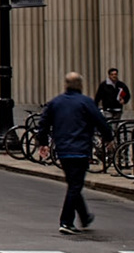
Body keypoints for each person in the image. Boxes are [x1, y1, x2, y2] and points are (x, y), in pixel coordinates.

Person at [36, 72, 113, 235]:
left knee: (73, 184)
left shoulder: (55, 102)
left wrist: (42, 143)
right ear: (81, 85)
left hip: (63, 149)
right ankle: (66, 221)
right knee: (75, 185)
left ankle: (84, 217)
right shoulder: (86, 102)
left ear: (65, 85)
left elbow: (43, 123)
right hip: (80, 148)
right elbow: (100, 121)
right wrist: (109, 138)